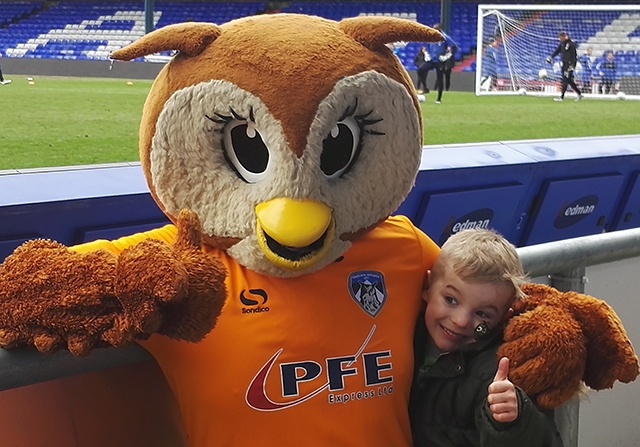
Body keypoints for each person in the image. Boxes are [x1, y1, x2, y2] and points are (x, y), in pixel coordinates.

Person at [410, 228, 564, 447]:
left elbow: (545, 441)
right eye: (451, 300)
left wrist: (513, 420)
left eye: (482, 313)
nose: (461, 321)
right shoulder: (403, 337)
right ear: (427, 287)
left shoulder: (502, 372)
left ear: (503, 317)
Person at [417, 23, 458, 104]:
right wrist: (427, 55)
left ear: (439, 30)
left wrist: (447, 56)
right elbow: (428, 47)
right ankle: (425, 87)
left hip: (440, 61)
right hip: (432, 60)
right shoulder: (431, 36)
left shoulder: (444, 37)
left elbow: (454, 47)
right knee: (420, 70)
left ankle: (439, 99)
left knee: (440, 79)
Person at [546, 31, 582, 102]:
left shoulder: (571, 44)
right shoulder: (562, 44)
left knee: (565, 80)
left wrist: (572, 66)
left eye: (560, 38)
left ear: (563, 36)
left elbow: (574, 56)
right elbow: (557, 51)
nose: (560, 39)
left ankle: (561, 97)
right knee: (569, 80)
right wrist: (551, 57)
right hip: (564, 64)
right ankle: (579, 94)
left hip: (569, 65)